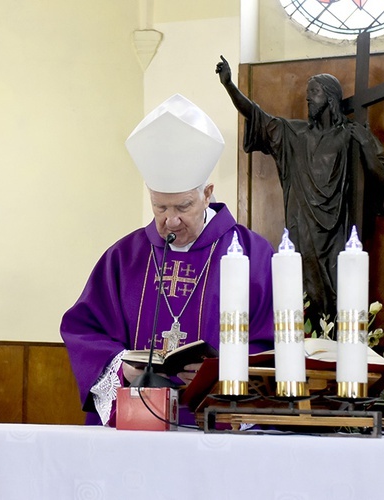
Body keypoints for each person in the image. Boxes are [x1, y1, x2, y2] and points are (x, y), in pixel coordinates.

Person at [60, 94, 275, 426]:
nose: (171, 221)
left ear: (207, 194)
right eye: (160, 207)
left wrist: (222, 375)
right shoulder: (125, 257)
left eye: (183, 207)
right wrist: (122, 366)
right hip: (138, 419)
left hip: (219, 424)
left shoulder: (252, 255)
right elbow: (84, 330)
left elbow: (273, 343)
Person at [216, 56, 384, 329]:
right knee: (304, 293)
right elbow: (256, 115)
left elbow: (379, 178)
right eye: (307, 93)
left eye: (314, 92)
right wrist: (230, 86)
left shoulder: (350, 137)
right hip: (303, 230)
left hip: (338, 233)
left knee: (341, 295)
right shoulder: (294, 135)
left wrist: (367, 146)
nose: (308, 99)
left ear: (330, 97)